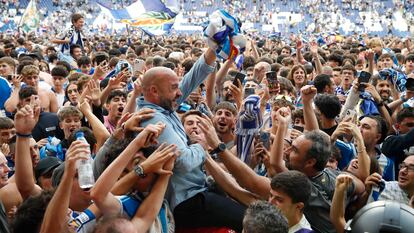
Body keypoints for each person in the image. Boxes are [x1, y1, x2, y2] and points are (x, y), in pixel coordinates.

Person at [137, 48, 246, 231]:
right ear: (154, 91)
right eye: (174, 88)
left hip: (197, 194)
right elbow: (184, 161)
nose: (180, 93)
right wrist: (201, 145)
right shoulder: (153, 118)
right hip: (188, 201)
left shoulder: (165, 106)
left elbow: (194, 77)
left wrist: (214, 47)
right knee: (251, 221)